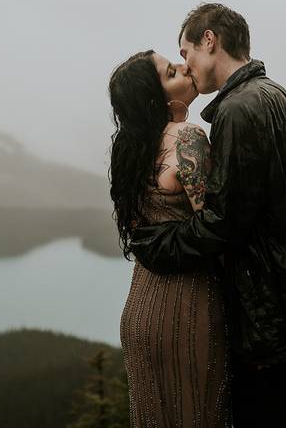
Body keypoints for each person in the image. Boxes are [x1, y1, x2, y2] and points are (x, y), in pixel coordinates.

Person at [128, 3, 286, 428]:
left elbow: (225, 223)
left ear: (210, 40)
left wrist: (158, 244)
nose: (185, 63)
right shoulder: (278, 96)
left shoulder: (238, 110)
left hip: (263, 321)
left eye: (186, 51)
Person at [108, 48, 232, 427]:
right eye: (170, 72)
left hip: (140, 309)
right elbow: (214, 225)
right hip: (188, 306)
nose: (183, 68)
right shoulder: (189, 138)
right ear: (157, 98)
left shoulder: (129, 151)